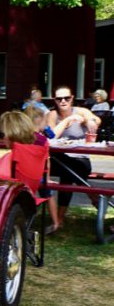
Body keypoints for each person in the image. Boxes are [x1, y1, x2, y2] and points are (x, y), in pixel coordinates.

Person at [45, 86, 102, 232]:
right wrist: (68, 120)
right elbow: (50, 137)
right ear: (55, 100)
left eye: (66, 98)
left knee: (67, 173)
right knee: (65, 168)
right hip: (59, 161)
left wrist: (90, 120)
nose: (63, 101)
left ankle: (60, 219)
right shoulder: (52, 115)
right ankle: (93, 195)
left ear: (72, 98)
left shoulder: (81, 111)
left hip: (80, 160)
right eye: (59, 99)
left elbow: (96, 120)